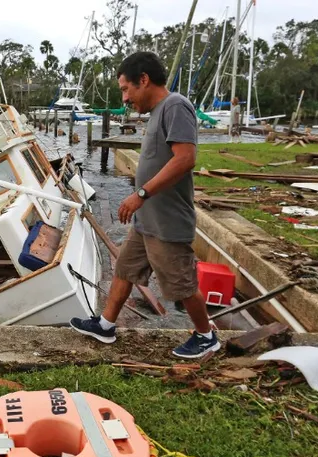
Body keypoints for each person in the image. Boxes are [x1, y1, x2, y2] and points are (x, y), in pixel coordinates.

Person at [70, 51, 220, 359]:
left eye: (126, 89)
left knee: (181, 282)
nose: (125, 98)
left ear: (144, 80)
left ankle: (206, 336)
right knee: (125, 268)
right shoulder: (157, 112)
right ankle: (106, 325)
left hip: (166, 220)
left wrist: (140, 194)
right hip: (147, 219)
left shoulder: (175, 106)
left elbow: (185, 159)